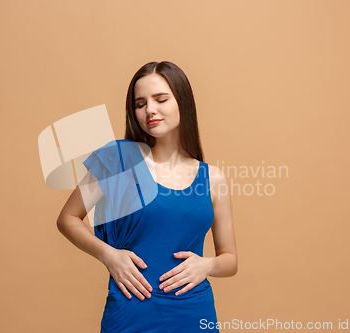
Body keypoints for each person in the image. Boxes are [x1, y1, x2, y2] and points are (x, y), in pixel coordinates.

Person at [57, 61, 237, 332]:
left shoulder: (213, 178)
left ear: (183, 103)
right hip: (131, 313)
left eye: (161, 99)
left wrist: (207, 265)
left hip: (193, 314)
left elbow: (230, 259)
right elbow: (67, 219)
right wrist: (109, 255)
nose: (150, 110)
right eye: (140, 104)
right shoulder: (117, 159)